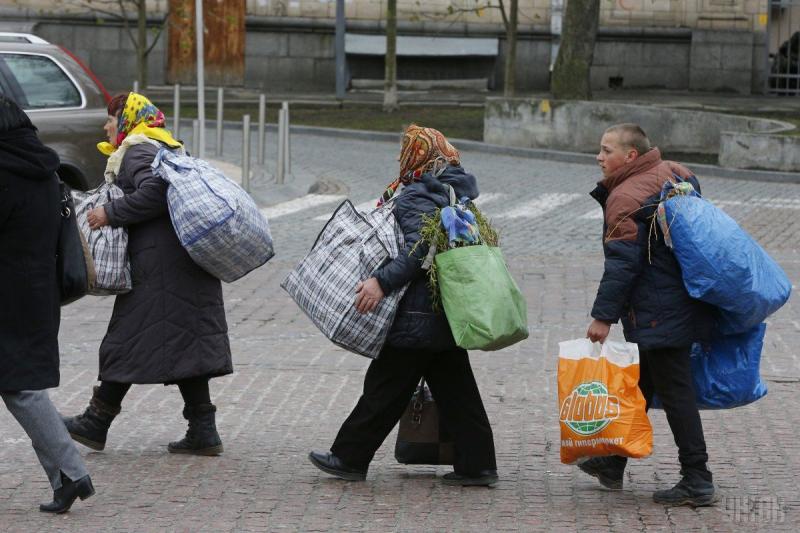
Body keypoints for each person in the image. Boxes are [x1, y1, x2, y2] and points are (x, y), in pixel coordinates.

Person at [308, 125, 498, 486]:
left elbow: (418, 249)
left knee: (385, 387)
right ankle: (478, 465)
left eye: (406, 151)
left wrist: (381, 282)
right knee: (458, 392)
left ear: (416, 157)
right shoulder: (454, 192)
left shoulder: (416, 196)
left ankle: (348, 458)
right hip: (444, 307)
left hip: (417, 311)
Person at [61, 92, 232, 455]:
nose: (107, 126)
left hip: (161, 267)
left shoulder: (138, 150)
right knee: (187, 343)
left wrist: (111, 213)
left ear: (127, 121)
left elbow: (155, 193)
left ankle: (97, 420)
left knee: (125, 340)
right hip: (181, 263)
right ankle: (203, 430)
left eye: (111, 119)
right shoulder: (164, 147)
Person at [582, 123, 717, 506]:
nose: (599, 156)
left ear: (630, 156)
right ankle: (612, 463)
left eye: (606, 150)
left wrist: (602, 317)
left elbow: (623, 265)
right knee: (643, 385)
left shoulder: (625, 197)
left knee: (676, 393)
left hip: (658, 310)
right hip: (682, 299)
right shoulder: (677, 172)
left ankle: (698, 478)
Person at [0, 95, 95, 513]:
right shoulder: (42, 168)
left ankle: (72, 473)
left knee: (21, 388)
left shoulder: (5, 172)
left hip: (9, 296)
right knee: (19, 385)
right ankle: (64, 477)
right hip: (35, 292)